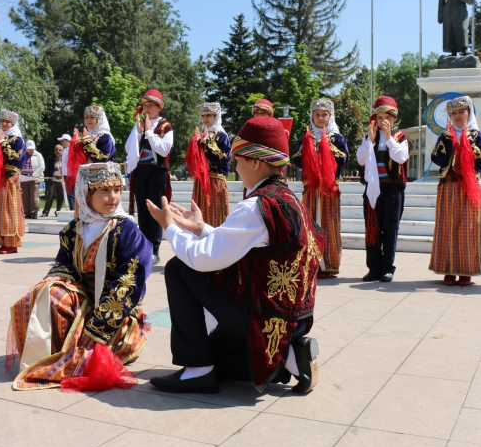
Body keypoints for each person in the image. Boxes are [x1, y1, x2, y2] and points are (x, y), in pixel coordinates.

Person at [145, 116, 324, 395]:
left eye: (239, 159)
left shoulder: (256, 206)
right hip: (292, 318)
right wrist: (202, 228)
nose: (235, 166)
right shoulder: (289, 200)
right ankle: (290, 356)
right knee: (223, 359)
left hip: (261, 315)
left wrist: (169, 227)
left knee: (179, 268)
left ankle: (198, 370)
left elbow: (202, 258)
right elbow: (240, 243)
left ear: (255, 162)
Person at [7, 162, 152, 391]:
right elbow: (63, 264)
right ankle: (51, 350)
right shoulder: (73, 229)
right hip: (84, 298)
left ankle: (82, 346)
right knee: (46, 293)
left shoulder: (127, 231)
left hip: (114, 312)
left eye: (116, 189)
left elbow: (128, 284)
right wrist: (57, 279)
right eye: (104, 190)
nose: (112, 196)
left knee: (90, 356)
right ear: (86, 193)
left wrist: (98, 327)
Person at [429, 96, 481, 286]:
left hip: (469, 186)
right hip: (449, 185)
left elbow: (480, 159)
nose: (458, 116)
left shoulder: (478, 136)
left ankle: (465, 271)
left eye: (462, 111)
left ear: (469, 113)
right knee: (447, 227)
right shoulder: (445, 135)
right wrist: (449, 138)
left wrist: (464, 142)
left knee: (468, 229)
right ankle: (448, 270)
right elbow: (437, 159)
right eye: (454, 113)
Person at [291, 98, 348, 278]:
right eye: (317, 115)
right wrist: (310, 145)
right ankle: (311, 264)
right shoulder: (306, 136)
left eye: (324, 114)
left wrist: (326, 146)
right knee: (310, 225)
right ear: (312, 116)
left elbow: (343, 159)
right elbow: (296, 159)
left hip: (329, 189)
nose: (321, 118)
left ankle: (329, 264)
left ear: (330, 116)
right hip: (311, 188)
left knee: (328, 224)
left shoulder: (337, 138)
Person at [356, 97, 410, 283]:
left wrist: (388, 138)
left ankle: (388, 268)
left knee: (390, 229)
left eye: (387, 117)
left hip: (391, 189)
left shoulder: (400, 138)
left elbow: (401, 157)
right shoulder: (369, 137)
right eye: (379, 118)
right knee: (372, 228)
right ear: (374, 119)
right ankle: (374, 267)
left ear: (394, 119)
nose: (383, 121)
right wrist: (369, 142)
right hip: (372, 188)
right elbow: (361, 160)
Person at [125, 89, 174, 265]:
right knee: (143, 210)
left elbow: (163, 149)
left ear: (159, 107)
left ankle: (155, 250)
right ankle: (144, 248)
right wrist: (138, 132)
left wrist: (148, 132)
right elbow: (128, 148)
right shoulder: (139, 124)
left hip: (156, 172)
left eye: (150, 105)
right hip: (140, 171)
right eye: (144, 105)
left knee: (155, 211)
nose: (146, 109)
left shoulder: (165, 126)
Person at [186, 102, 232, 227]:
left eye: (209, 115)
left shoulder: (222, 136)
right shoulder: (200, 135)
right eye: (203, 115)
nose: (205, 119)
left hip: (215, 182)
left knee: (216, 216)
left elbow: (222, 158)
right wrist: (195, 142)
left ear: (216, 116)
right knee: (199, 216)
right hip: (200, 182)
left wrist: (207, 142)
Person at [0, 109, 26, 254]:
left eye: (7, 121)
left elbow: (15, 158)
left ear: (13, 123)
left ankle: (12, 244)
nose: (4, 124)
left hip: (10, 179)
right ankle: (3, 242)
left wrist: (2, 143)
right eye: (2, 121)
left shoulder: (17, 140)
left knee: (9, 210)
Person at [66, 106, 116, 198]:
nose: (88, 120)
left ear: (99, 119)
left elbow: (102, 157)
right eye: (86, 117)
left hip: (102, 177)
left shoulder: (105, 137)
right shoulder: (85, 136)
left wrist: (87, 142)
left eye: (92, 117)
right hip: (85, 177)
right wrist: (75, 142)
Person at [21, 140, 45, 219]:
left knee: (34, 197)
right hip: (24, 178)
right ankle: (27, 212)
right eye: (29, 148)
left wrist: (33, 175)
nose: (31, 150)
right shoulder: (22, 155)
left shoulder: (38, 155)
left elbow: (42, 167)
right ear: (26, 148)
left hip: (34, 179)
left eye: (32, 148)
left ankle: (34, 213)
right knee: (25, 196)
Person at [43, 144, 65, 217]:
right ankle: (45, 212)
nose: (58, 151)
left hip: (62, 180)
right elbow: (47, 169)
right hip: (53, 180)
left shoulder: (65, 158)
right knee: (50, 196)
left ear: (62, 151)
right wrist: (49, 177)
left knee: (60, 197)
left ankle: (58, 212)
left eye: (59, 150)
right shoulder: (51, 158)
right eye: (56, 150)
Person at [58, 133, 74, 210]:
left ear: (68, 141)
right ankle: (72, 209)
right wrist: (62, 170)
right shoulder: (64, 151)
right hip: (65, 174)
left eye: (63, 141)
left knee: (71, 194)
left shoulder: (72, 150)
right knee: (68, 193)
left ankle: (73, 210)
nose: (61, 143)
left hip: (71, 175)